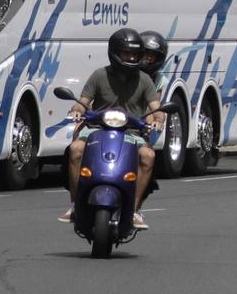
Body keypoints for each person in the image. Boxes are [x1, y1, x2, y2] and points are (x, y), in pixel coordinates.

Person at [60, 28, 166, 227]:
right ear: (115, 52)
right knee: (75, 150)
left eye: (135, 54)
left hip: (131, 132)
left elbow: (156, 108)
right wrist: (76, 110)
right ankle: (75, 204)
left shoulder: (144, 80)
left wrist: (158, 119)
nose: (132, 58)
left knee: (148, 156)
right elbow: (83, 101)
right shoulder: (99, 75)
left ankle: (134, 210)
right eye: (127, 53)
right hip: (97, 128)